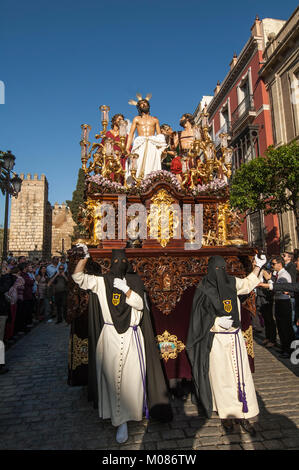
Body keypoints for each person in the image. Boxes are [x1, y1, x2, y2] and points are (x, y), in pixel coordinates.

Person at [71, 244, 172, 443]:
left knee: (132, 379)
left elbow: (140, 305)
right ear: (110, 264)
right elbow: (78, 278)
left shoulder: (134, 281)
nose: (119, 265)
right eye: (116, 262)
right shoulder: (102, 282)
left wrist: (126, 290)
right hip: (110, 337)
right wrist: (85, 257)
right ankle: (120, 420)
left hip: (133, 336)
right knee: (114, 381)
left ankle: (133, 413)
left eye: (122, 262)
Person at [186, 254, 266, 434]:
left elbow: (248, 283)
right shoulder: (204, 287)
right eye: (217, 269)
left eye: (222, 269)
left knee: (240, 377)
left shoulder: (231, 282)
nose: (219, 273)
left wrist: (257, 267)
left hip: (235, 338)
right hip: (217, 339)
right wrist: (216, 323)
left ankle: (243, 414)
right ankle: (227, 415)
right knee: (222, 379)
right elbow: (199, 318)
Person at [126, 94, 167, 180]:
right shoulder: (136, 119)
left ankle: (151, 181)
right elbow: (131, 134)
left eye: (145, 103)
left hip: (152, 144)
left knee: (152, 164)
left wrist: (163, 148)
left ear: (148, 106)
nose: (143, 105)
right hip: (140, 144)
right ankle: (138, 182)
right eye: (141, 104)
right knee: (139, 163)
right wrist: (127, 148)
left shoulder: (155, 120)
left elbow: (160, 136)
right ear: (138, 107)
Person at [266, 256, 295, 358]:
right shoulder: (278, 274)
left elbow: (279, 289)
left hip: (284, 302)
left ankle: (288, 350)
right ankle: (284, 348)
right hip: (279, 301)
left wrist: (269, 280)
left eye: (273, 264)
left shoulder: (284, 275)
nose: (272, 266)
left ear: (279, 264)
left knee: (285, 327)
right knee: (281, 327)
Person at [170, 113, 195, 183]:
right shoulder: (179, 134)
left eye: (182, 118)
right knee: (175, 162)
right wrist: (171, 138)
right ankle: (180, 188)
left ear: (187, 119)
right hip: (182, 156)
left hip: (193, 155)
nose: (180, 120)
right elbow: (173, 147)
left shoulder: (196, 131)